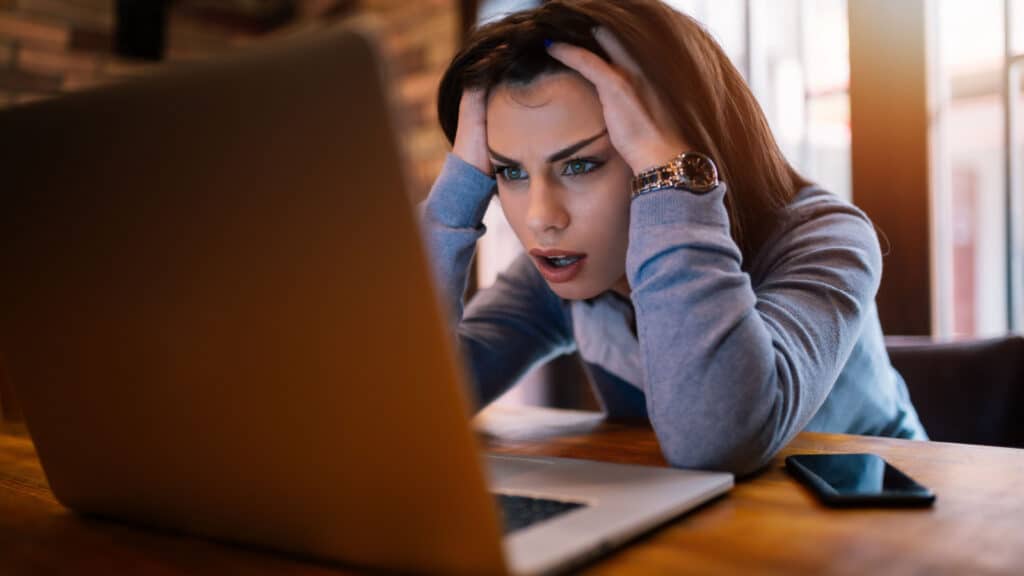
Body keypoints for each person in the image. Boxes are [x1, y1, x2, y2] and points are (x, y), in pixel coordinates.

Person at [419, 0, 927, 476]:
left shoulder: (828, 238)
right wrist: (456, 192)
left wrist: (670, 174)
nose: (539, 218)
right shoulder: (561, 264)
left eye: (580, 164)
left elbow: (718, 441)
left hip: (895, 530)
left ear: (671, 150)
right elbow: (410, 405)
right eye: (509, 172)